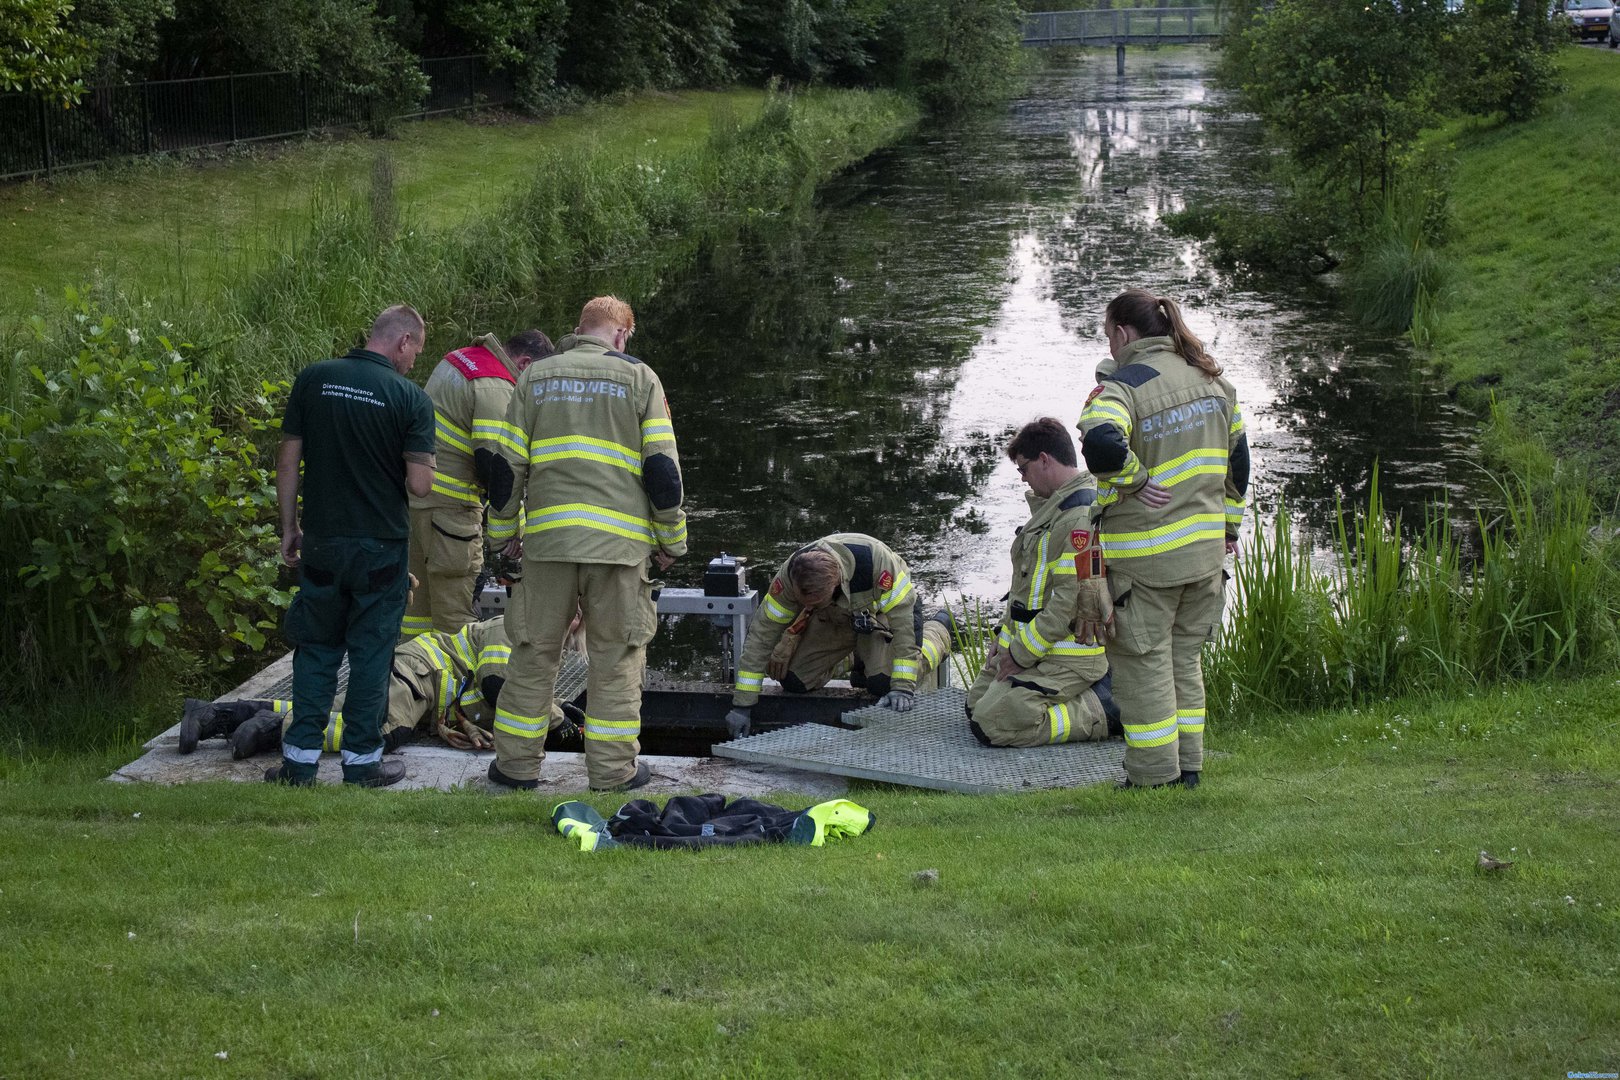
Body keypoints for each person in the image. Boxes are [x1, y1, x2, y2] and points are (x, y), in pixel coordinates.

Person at [483, 296, 687, 792]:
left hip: (549, 545)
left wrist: (503, 537)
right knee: (616, 659)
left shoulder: (536, 377)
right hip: (619, 550)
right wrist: (671, 542)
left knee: (532, 654)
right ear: (622, 336)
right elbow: (662, 471)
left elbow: (505, 471)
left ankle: (514, 769)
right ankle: (613, 774)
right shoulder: (641, 378)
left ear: (579, 330)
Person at [1076, 289, 1249, 789]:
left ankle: (1153, 778)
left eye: (1109, 335)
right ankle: (1189, 768)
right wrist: (1229, 528)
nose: (1109, 347)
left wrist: (1135, 480)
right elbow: (1239, 466)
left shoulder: (1124, 386)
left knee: (1142, 667)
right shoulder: (1212, 380)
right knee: (1184, 662)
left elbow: (1100, 442)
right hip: (1204, 559)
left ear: (1124, 333)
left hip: (1146, 563)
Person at [273, 304, 437, 788]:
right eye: (416, 353)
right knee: (371, 653)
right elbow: (421, 485)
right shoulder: (409, 397)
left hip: (322, 541)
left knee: (317, 647)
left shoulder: (314, 378)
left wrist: (289, 526)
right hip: (381, 547)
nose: (414, 363)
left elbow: (287, 461)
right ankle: (362, 763)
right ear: (403, 341)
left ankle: (299, 762)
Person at [177, 616, 583, 758]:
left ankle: (217, 714)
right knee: (379, 732)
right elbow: (499, 686)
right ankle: (270, 730)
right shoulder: (515, 626)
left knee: (335, 711)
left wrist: (560, 707)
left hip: (420, 677)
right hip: (424, 675)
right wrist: (555, 717)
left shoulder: (536, 639)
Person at [964, 418, 1121, 747]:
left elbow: (1068, 603)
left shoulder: (1079, 516)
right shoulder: (1053, 510)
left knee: (992, 725)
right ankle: (1052, 695)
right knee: (974, 707)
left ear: (1045, 459)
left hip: (1069, 655)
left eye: (1024, 468)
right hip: (1037, 647)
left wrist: (1019, 655)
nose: (1022, 477)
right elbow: (1025, 592)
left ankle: (1105, 707)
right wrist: (1002, 640)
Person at [402, 329, 555, 640]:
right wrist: (515, 533)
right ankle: (456, 686)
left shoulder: (459, 359)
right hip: (451, 514)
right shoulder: (495, 386)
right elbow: (496, 469)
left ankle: (411, 679)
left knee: (417, 611)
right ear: (524, 363)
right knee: (455, 619)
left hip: (416, 503)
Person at [724, 534, 952, 737]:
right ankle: (854, 658)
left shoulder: (878, 565)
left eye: (812, 602)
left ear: (835, 585)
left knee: (883, 684)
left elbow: (906, 627)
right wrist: (742, 706)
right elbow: (761, 637)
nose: (802, 606)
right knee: (794, 680)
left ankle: (939, 632)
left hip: (879, 619)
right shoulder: (789, 577)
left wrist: (903, 687)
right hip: (831, 619)